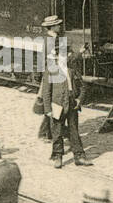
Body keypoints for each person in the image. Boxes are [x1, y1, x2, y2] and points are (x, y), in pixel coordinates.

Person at [38, 15, 92, 169]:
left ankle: (79, 156)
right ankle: (57, 156)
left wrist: (79, 100)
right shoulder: (51, 68)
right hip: (57, 101)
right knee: (57, 130)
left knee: (74, 130)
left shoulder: (71, 70)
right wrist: (47, 109)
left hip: (71, 101)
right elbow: (46, 91)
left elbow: (82, 86)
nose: (65, 54)